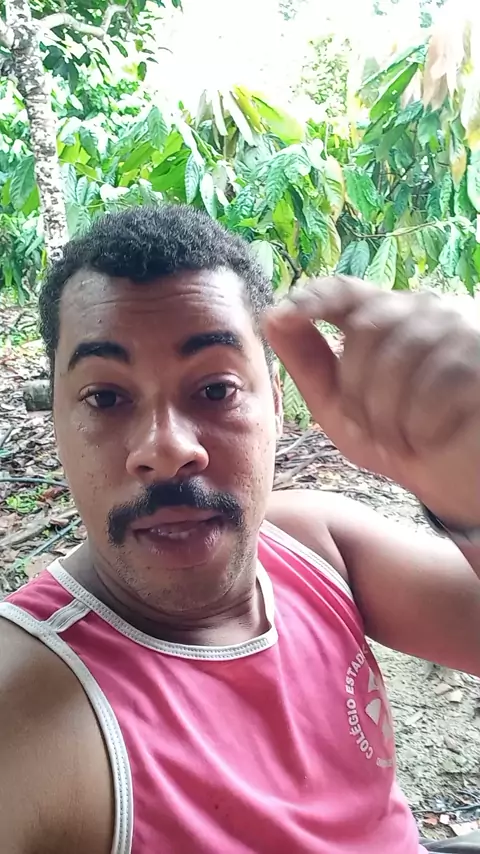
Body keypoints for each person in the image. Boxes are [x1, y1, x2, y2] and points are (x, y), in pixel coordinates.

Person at [1, 205, 480, 854]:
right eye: (105, 398)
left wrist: (467, 488)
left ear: (276, 403)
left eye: (216, 390)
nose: (165, 449)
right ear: (57, 421)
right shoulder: (32, 695)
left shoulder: (315, 544)